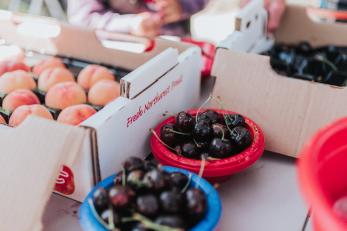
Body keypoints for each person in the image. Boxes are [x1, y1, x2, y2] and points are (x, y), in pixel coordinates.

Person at [67, 0, 209, 38]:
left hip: (176, 43)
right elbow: (83, 18)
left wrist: (183, 5)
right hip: (118, 51)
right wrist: (131, 25)